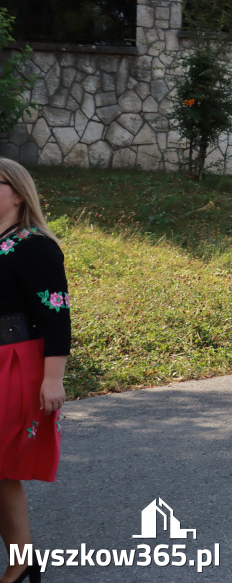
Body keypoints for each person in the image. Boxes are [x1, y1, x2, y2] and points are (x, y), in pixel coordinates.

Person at [0, 158, 70, 583]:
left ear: (18, 192)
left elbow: (56, 316)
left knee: (3, 466)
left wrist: (53, 378)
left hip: (17, 363)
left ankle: (21, 560)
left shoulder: (35, 246)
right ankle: (23, 559)